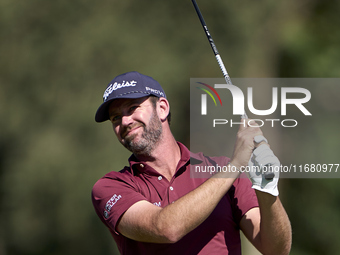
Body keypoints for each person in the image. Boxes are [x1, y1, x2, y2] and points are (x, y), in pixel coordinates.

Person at [91, 71, 292, 255]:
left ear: (162, 108)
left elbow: (276, 250)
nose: (125, 122)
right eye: (116, 117)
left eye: (133, 108)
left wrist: (268, 190)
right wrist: (235, 166)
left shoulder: (217, 170)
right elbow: (165, 229)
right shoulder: (110, 187)